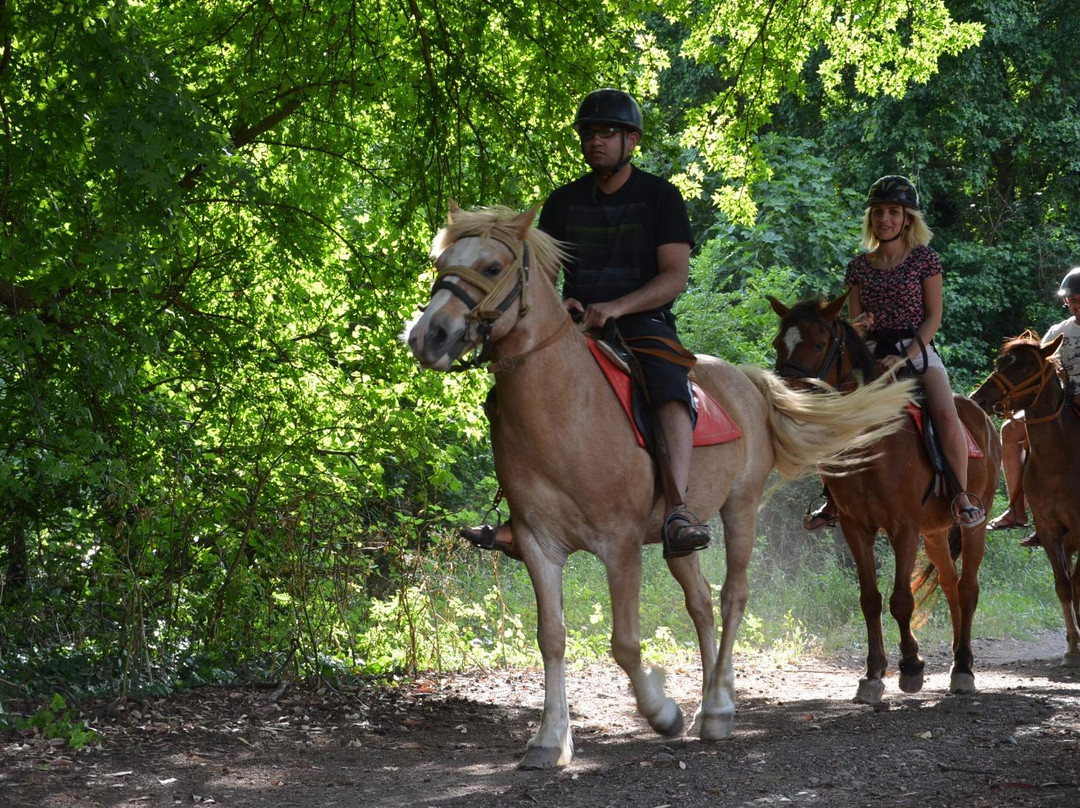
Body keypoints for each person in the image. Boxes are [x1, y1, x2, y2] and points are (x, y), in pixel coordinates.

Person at [460, 88, 708, 559]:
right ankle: (520, 514)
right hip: (576, 328)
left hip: (644, 321)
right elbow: (544, 279)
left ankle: (678, 509)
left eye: (607, 132)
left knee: (669, 386)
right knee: (505, 395)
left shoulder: (662, 197)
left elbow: (675, 277)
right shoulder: (563, 202)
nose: (595, 141)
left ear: (631, 140)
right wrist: (564, 301)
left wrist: (618, 305)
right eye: (588, 133)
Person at [803, 175, 986, 530]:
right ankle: (830, 495)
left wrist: (903, 359)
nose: (884, 219)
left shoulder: (925, 260)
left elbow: (934, 317)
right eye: (878, 212)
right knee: (831, 410)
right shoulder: (858, 266)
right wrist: (859, 326)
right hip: (870, 353)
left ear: (907, 219)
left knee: (946, 413)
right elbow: (857, 321)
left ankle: (962, 495)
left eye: (893, 212)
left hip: (916, 349)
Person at [988, 266, 1080, 546]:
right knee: (1009, 430)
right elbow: (1044, 371)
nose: (1077, 304)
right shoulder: (1057, 331)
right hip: (1062, 402)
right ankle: (1019, 509)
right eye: (1072, 300)